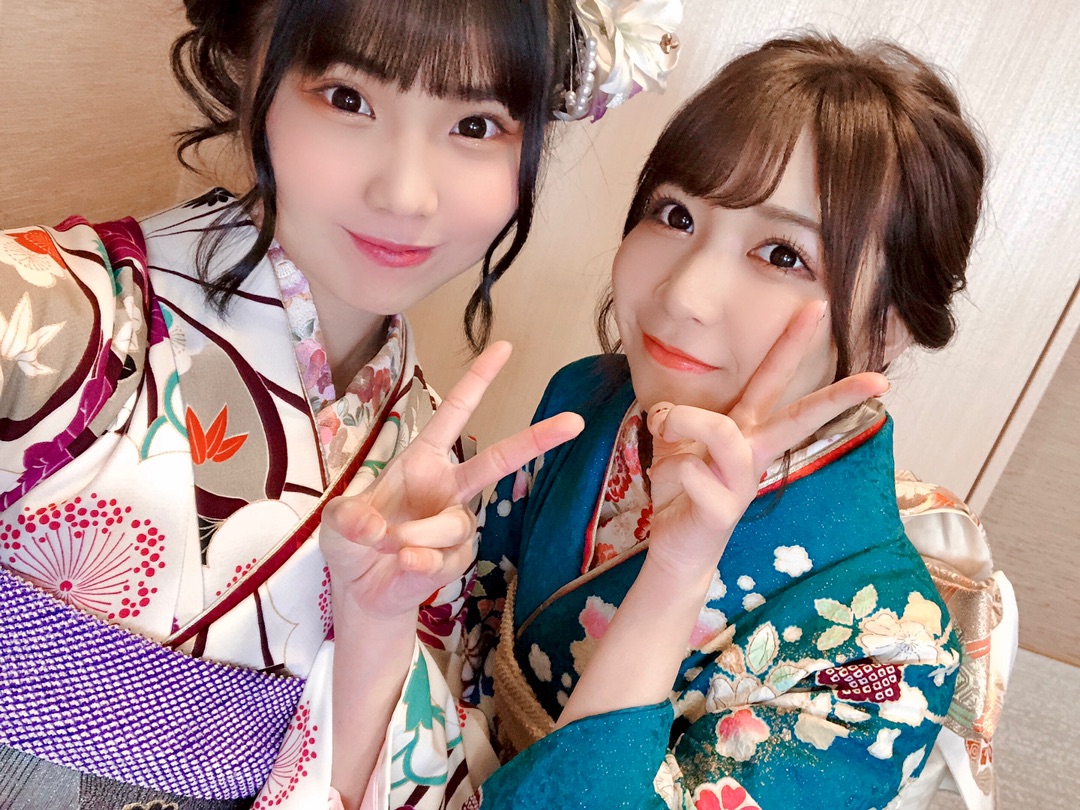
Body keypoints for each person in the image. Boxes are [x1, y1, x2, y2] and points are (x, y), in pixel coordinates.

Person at [0, 1, 682, 808]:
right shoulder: (45, 321)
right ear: (246, 70)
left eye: (476, 125)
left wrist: (376, 630)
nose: (407, 194)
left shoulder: (437, 479)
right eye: (348, 98)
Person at [326, 33, 996, 809]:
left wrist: (675, 577)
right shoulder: (588, 401)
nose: (682, 294)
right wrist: (397, 592)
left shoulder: (888, 653)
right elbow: (466, 643)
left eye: (783, 255)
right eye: (675, 214)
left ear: (890, 325)